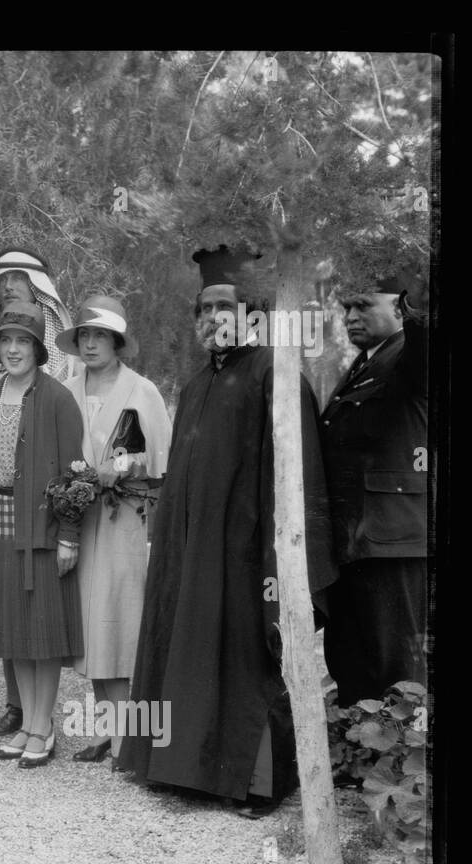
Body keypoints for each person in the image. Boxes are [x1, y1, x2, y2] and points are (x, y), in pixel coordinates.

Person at [117, 245, 336, 817]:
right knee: (188, 648)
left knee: (248, 659)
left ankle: (257, 784)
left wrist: (284, 567)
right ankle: (186, 769)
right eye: (202, 309)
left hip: (248, 555)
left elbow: (303, 477)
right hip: (192, 553)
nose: (211, 319)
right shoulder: (193, 387)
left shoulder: (276, 374)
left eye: (224, 306)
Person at [0, 300, 84, 768]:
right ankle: (27, 723)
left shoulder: (57, 399)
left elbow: (77, 473)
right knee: (13, 633)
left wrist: (69, 535)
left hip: (41, 530)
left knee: (41, 633)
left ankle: (43, 726)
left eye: (23, 341)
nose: (14, 349)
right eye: (6, 341)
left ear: (38, 349)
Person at [55, 296, 171, 766]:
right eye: (84, 335)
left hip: (124, 515)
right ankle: (106, 730)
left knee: (119, 620)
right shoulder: (66, 388)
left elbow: (164, 456)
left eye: (99, 335)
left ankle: (129, 739)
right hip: (77, 517)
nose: (90, 343)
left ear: (117, 343)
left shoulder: (142, 390)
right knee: (90, 624)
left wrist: (126, 462)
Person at [319, 273, 428, 706]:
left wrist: (415, 294)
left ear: (400, 308)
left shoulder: (412, 354)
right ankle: (359, 761)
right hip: (356, 539)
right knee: (352, 657)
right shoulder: (365, 363)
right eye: (346, 307)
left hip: (393, 539)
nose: (350, 316)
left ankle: (404, 767)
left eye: (363, 305)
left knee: (398, 667)